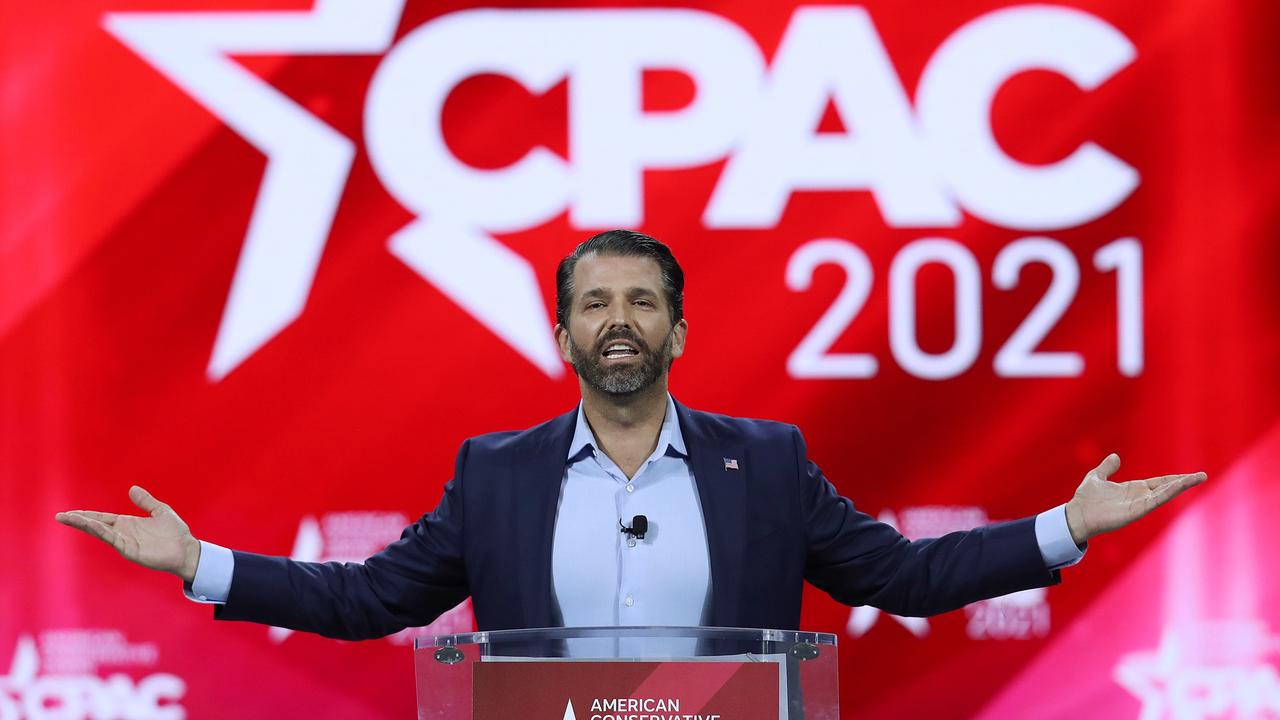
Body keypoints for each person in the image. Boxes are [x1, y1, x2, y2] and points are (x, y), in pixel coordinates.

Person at [55, 230, 1206, 639]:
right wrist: (197, 564)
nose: (620, 321)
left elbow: (902, 576)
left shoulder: (768, 462)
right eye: (595, 304)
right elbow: (371, 604)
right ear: (562, 337)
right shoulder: (494, 471)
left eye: (641, 302)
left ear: (678, 329)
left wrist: (1063, 528)